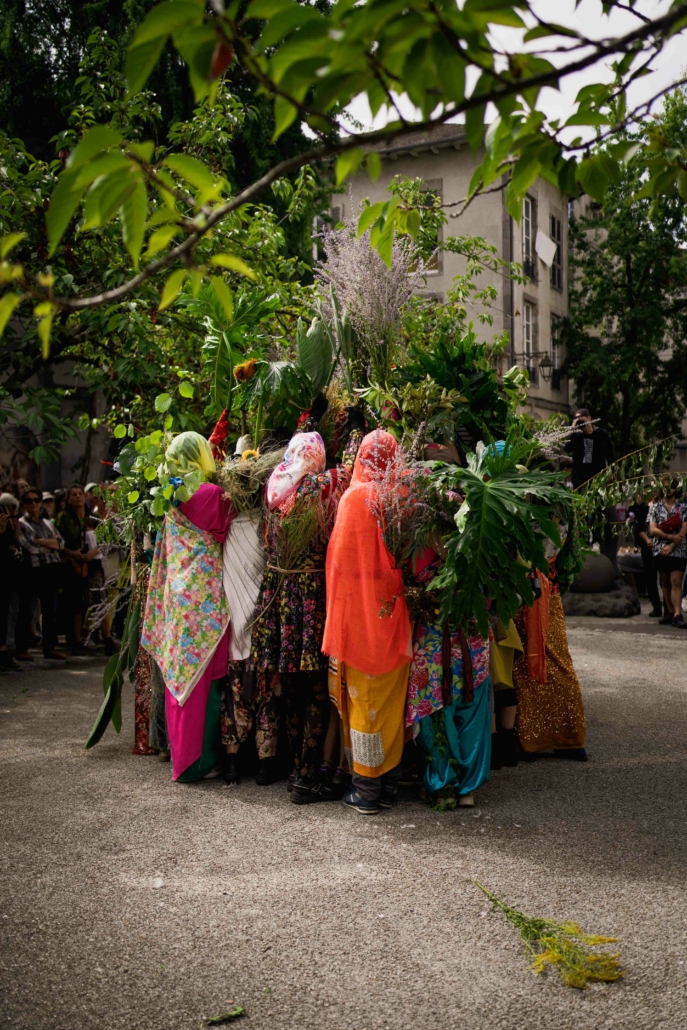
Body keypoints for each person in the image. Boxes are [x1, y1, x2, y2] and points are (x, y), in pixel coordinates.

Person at [249, 416, 363, 804]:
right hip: (309, 595)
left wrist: (307, 421)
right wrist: (354, 432)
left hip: (277, 596)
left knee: (291, 688)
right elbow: (349, 471)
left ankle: (296, 769)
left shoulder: (274, 486)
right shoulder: (321, 486)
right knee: (316, 689)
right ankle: (306, 776)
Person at [323, 430, 413, 815]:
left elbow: (338, 562)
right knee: (391, 703)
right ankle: (389, 783)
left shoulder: (352, 498)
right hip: (393, 616)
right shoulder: (403, 497)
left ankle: (366, 788)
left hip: (358, 617)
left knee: (363, 701)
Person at [142, 432, 233, 781]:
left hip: (178, 601)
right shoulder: (211, 495)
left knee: (180, 681)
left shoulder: (172, 496)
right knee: (205, 686)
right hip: (205, 604)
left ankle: (181, 760)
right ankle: (200, 762)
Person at [405, 546, 492, 808]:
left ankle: (443, 785)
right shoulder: (486, 539)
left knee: (434, 712)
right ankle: (466, 789)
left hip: (434, 638)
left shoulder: (422, 541)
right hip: (472, 634)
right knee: (470, 711)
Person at [513, 563, 587, 758]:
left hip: (531, 586)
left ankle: (538, 740)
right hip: (540, 585)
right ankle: (557, 738)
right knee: (528, 661)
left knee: (532, 660)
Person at [16, 488, 67, 661]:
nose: (34, 504)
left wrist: (41, 542)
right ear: (24, 504)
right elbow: (29, 547)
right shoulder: (22, 524)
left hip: (50, 569)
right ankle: (22, 648)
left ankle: (49, 647)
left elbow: (61, 543)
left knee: (50, 610)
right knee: (27, 610)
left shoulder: (48, 523)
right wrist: (50, 546)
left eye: (36, 500)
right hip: (31, 570)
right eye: (29, 501)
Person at [566, 408, 618, 567]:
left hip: (599, 483)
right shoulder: (576, 436)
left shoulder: (601, 434)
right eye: (577, 419)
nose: (581, 422)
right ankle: (581, 553)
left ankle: (607, 555)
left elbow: (610, 455)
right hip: (581, 484)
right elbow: (566, 448)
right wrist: (573, 429)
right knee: (581, 518)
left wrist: (590, 434)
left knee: (604, 517)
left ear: (589, 418)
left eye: (582, 419)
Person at [56, 485, 101, 655]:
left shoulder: (93, 518)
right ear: (68, 499)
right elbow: (58, 541)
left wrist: (92, 553)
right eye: (73, 495)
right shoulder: (63, 517)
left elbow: (105, 539)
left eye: (80, 494)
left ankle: (87, 637)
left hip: (92, 563)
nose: (77, 497)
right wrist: (73, 554)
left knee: (92, 601)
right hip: (71, 564)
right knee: (74, 602)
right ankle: (74, 640)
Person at [648, 476, 687, 629]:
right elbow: (653, 529)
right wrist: (669, 537)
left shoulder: (683, 507)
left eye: (671, 486)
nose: (668, 489)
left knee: (676, 580)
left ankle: (677, 614)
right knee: (664, 581)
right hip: (660, 549)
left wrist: (673, 544)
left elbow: (684, 527)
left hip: (679, 549)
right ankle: (669, 612)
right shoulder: (655, 508)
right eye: (665, 486)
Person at [629, 488, 662, 618]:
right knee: (650, 578)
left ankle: (668, 607)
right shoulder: (644, 509)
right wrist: (647, 540)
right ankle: (656, 606)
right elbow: (639, 528)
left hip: (662, 547)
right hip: (648, 548)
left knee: (664, 579)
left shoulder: (663, 508)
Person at [0, 493, 23, 672]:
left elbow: (14, 543)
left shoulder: (8, 518)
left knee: (5, 612)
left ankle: (4, 650)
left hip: (8, 572)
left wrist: (15, 530)